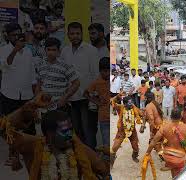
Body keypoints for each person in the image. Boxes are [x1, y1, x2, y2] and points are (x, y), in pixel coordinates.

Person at [0, 93, 110, 179]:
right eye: (64, 131)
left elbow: (103, 171)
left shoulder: (78, 148)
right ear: (49, 134)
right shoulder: (34, 146)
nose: (70, 135)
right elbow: (3, 128)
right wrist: (31, 105)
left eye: (70, 130)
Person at [0, 22, 37, 169]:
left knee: (29, 126)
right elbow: (4, 66)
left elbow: (32, 74)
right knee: (10, 127)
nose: (17, 37)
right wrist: (15, 50)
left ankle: (30, 153)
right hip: (9, 94)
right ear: (7, 36)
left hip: (27, 94)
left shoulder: (28, 51)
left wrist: (35, 94)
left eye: (18, 34)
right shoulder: (3, 49)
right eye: (13, 35)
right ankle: (13, 156)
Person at [60, 22, 100, 149]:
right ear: (68, 35)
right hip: (71, 98)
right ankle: (81, 156)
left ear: (82, 34)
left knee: (88, 129)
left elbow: (95, 75)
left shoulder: (91, 50)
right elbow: (63, 73)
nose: (75, 36)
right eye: (72, 33)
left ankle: (91, 157)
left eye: (78, 33)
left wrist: (94, 99)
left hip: (86, 98)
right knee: (76, 130)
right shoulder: (64, 51)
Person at [144, 109, 186, 178]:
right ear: (180, 116)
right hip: (179, 159)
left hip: (167, 157)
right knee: (180, 173)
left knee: (176, 172)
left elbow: (154, 141)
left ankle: (172, 169)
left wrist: (147, 153)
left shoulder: (164, 127)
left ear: (171, 116)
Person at [35, 37, 80, 112]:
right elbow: (38, 85)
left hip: (59, 107)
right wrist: (36, 101)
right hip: (43, 107)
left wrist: (65, 98)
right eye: (48, 49)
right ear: (45, 50)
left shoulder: (65, 65)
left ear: (58, 51)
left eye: (53, 50)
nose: (50, 52)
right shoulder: (40, 65)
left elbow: (76, 83)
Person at [110, 94, 143, 167]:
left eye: (132, 102)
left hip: (132, 131)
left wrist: (142, 124)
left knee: (136, 147)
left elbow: (142, 114)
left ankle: (134, 156)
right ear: (124, 104)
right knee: (115, 147)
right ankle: (111, 161)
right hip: (121, 131)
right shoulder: (120, 107)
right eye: (129, 103)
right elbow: (112, 102)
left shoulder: (135, 109)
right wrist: (117, 96)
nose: (131, 104)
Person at [84, 57, 109, 147]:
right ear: (100, 71)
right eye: (104, 71)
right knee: (106, 142)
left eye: (108, 70)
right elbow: (85, 94)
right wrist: (97, 102)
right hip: (103, 116)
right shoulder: (97, 82)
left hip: (112, 115)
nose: (107, 73)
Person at [140, 92, 164, 156]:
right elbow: (145, 115)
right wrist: (143, 125)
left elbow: (151, 119)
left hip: (156, 126)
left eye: (145, 98)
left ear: (148, 98)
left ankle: (163, 156)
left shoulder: (149, 106)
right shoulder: (155, 103)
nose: (144, 99)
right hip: (161, 124)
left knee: (155, 142)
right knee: (156, 141)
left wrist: (151, 131)